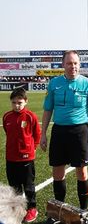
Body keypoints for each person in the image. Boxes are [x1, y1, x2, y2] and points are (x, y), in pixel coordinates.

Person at [40, 50, 88, 211]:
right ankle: (59, 212)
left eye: (75, 63)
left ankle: (83, 211)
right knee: (57, 173)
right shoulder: (54, 83)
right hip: (59, 131)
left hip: (80, 132)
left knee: (82, 172)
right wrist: (43, 134)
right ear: (63, 65)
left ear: (79, 65)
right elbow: (48, 110)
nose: (72, 66)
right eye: (69, 63)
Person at [2, 88, 41, 223]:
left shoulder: (31, 117)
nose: (17, 105)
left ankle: (32, 208)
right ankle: (17, 208)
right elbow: (8, 132)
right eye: (14, 102)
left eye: (20, 102)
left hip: (26, 157)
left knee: (28, 186)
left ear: (26, 101)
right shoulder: (7, 116)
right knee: (14, 186)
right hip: (11, 157)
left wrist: (31, 149)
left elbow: (37, 135)